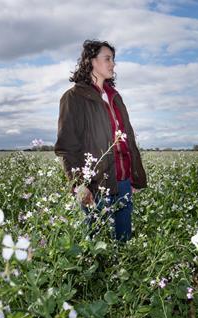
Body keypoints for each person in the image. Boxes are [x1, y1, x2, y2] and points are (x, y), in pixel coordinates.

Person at [55, 40, 147, 241]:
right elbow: (67, 147)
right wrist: (79, 184)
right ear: (91, 61)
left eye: (113, 59)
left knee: (124, 242)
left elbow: (128, 138)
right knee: (96, 245)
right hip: (95, 185)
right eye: (107, 59)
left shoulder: (115, 96)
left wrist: (133, 176)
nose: (113, 64)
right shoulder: (73, 97)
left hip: (122, 181)